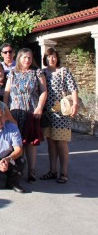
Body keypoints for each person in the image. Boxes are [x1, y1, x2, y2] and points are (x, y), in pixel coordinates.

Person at [3, 48, 47, 183]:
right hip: (15, 112)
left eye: (29, 57)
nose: (27, 60)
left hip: (31, 111)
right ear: (19, 59)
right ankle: (15, 171)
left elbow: (44, 91)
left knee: (30, 143)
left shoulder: (37, 73)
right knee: (15, 142)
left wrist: (39, 107)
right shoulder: (12, 73)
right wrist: (5, 111)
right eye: (24, 57)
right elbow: (7, 92)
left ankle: (31, 171)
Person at [40, 48, 79, 184]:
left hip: (62, 112)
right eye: (49, 56)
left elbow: (73, 88)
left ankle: (64, 172)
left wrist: (75, 104)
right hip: (48, 113)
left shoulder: (64, 71)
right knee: (51, 143)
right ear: (45, 58)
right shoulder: (42, 73)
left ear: (57, 58)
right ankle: (52, 170)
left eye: (54, 56)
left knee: (61, 143)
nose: (52, 59)